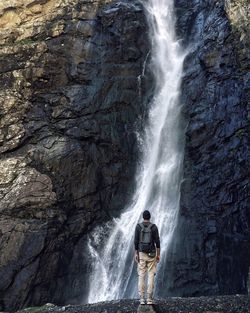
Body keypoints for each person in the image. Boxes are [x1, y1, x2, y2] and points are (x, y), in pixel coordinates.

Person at [134, 210, 160, 305]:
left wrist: (136, 253)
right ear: (150, 217)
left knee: (141, 274)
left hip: (141, 253)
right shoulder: (153, 227)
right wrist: (158, 254)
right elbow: (157, 242)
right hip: (152, 254)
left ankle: (141, 298)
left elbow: (136, 241)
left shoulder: (138, 227)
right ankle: (149, 298)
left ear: (143, 217)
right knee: (151, 274)